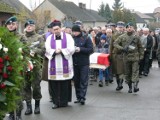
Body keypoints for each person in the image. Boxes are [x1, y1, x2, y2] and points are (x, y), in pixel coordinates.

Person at [45, 20, 75, 109]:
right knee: (54, 85)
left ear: (61, 28)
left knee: (65, 84)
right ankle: (55, 102)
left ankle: (64, 102)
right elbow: (47, 49)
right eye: (54, 30)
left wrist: (62, 51)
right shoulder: (49, 38)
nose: (56, 31)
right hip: (54, 65)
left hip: (65, 64)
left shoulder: (68, 37)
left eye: (57, 29)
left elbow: (72, 48)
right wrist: (54, 51)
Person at [114, 22, 144, 93]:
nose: (129, 28)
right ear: (126, 28)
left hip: (135, 56)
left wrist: (141, 56)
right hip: (126, 57)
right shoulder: (122, 37)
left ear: (133, 28)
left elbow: (140, 47)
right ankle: (130, 87)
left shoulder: (136, 37)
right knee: (127, 73)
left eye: (131, 27)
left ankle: (135, 86)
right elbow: (115, 43)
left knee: (135, 71)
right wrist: (122, 48)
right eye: (128, 27)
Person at [5, 16, 24, 120]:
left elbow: (26, 51)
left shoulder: (21, 37)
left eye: (13, 24)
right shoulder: (3, 37)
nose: (11, 26)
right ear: (6, 26)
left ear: (16, 25)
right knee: (9, 92)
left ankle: (19, 113)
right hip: (6, 69)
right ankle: (11, 113)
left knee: (18, 92)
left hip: (18, 68)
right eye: (9, 24)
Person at [23, 19, 44, 115]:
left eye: (31, 25)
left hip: (35, 66)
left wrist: (35, 50)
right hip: (24, 66)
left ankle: (37, 106)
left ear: (34, 27)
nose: (29, 27)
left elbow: (43, 50)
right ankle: (28, 107)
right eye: (27, 25)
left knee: (36, 86)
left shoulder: (39, 37)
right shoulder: (22, 37)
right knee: (26, 86)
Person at [72, 25, 93, 105]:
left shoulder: (86, 38)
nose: (74, 33)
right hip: (74, 62)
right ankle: (78, 97)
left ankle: (82, 97)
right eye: (73, 32)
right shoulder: (72, 39)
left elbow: (90, 49)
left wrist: (80, 49)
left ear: (79, 31)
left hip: (84, 63)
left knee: (83, 81)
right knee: (76, 81)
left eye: (76, 31)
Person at [110, 21, 125, 91]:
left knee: (121, 71)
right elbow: (111, 46)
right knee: (116, 71)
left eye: (121, 27)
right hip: (115, 55)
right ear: (117, 27)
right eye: (119, 27)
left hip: (122, 55)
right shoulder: (114, 35)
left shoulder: (126, 35)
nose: (120, 28)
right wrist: (110, 56)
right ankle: (118, 83)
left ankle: (120, 83)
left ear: (123, 28)